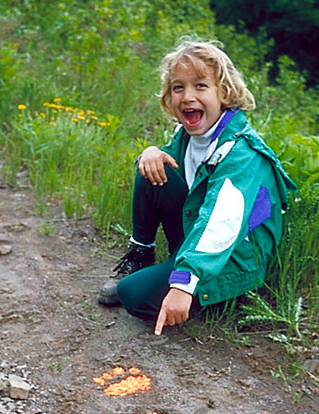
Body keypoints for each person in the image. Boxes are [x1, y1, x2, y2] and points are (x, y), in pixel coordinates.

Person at [98, 39, 296, 336]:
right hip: (198, 236)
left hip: (233, 257)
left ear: (224, 92)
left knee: (133, 296)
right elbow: (171, 178)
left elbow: (222, 223)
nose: (188, 97)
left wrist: (183, 284)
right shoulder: (188, 135)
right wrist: (150, 152)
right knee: (155, 166)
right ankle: (141, 259)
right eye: (178, 88)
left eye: (201, 86)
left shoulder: (242, 152)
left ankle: (208, 296)